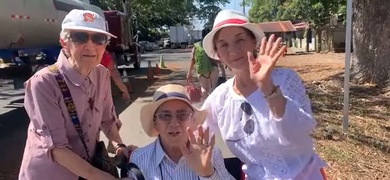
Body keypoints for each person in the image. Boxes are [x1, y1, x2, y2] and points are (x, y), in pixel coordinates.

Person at [196, 10, 327, 180]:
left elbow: (298, 133)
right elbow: (195, 130)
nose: (233, 50)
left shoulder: (284, 79)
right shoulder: (220, 98)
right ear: (218, 54)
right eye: (224, 44)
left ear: (253, 41)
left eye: (240, 39)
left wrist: (267, 87)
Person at [19, 9, 133, 180]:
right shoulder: (43, 83)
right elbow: (57, 149)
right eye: (80, 37)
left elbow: (107, 119)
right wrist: (101, 177)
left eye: (98, 38)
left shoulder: (101, 74)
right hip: (51, 174)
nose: (90, 45)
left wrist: (119, 146)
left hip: (89, 169)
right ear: (64, 42)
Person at [129, 84, 235, 180]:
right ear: (155, 123)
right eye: (165, 116)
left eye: (182, 115)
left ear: (193, 120)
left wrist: (207, 173)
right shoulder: (139, 159)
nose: (174, 123)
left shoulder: (210, 153)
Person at [187, 29, 226, 101]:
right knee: (213, 88)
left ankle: (205, 104)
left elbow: (193, 59)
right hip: (213, 68)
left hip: (201, 70)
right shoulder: (212, 45)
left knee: (204, 88)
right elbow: (218, 59)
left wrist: (189, 73)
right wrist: (223, 72)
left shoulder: (196, 46)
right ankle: (213, 104)